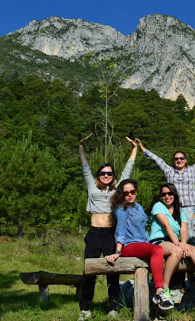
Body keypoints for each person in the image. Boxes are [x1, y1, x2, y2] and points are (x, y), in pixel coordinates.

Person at [136, 136, 195, 301]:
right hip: (173, 209)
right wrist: (142, 148)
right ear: (174, 161)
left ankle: (192, 273)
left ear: (186, 160)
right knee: (176, 244)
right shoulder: (168, 172)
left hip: (189, 209)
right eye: (176, 159)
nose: (179, 161)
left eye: (182, 158)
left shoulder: (192, 170)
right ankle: (178, 281)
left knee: (190, 242)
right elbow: (157, 160)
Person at [78, 134, 137, 320]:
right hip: (94, 234)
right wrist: (80, 147)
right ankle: (85, 309)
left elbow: (128, 170)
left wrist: (135, 148)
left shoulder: (117, 187)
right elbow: (85, 166)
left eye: (109, 173)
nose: (106, 175)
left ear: (113, 176)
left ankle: (113, 308)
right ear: (98, 175)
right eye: (103, 173)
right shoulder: (92, 186)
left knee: (113, 272)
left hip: (111, 234)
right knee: (89, 271)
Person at [105, 179, 174, 310]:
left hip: (142, 244)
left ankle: (164, 291)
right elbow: (121, 230)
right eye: (126, 193)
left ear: (136, 192)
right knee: (157, 250)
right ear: (121, 194)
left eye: (132, 191)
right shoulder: (122, 209)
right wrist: (118, 251)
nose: (130, 195)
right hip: (129, 246)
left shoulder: (138, 207)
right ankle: (160, 292)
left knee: (167, 251)